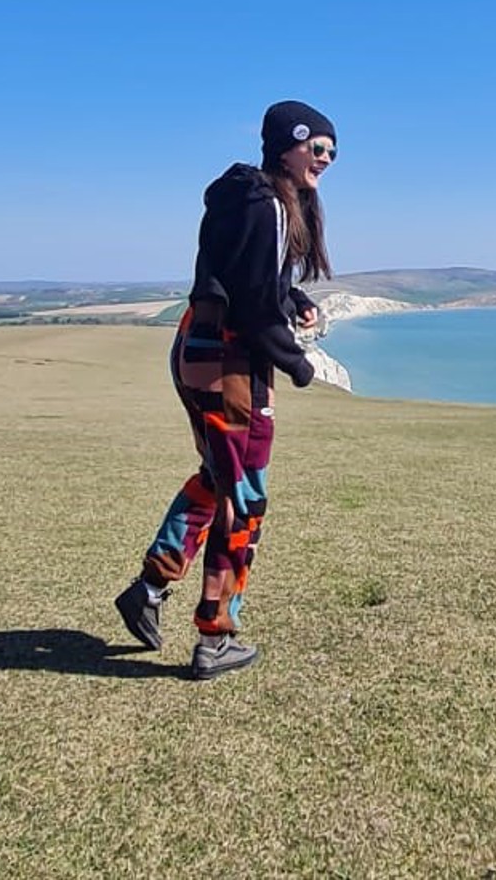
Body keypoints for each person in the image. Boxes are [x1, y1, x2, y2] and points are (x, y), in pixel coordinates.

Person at [114, 99, 337, 679]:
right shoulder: (270, 207)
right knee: (244, 499)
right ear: (289, 144)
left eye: (333, 154)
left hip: (196, 350)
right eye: (318, 149)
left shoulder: (245, 197)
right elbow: (258, 310)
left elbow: (247, 280)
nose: (326, 162)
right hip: (231, 367)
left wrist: (297, 300)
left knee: (219, 479)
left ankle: (151, 587)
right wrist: (298, 364)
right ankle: (216, 636)